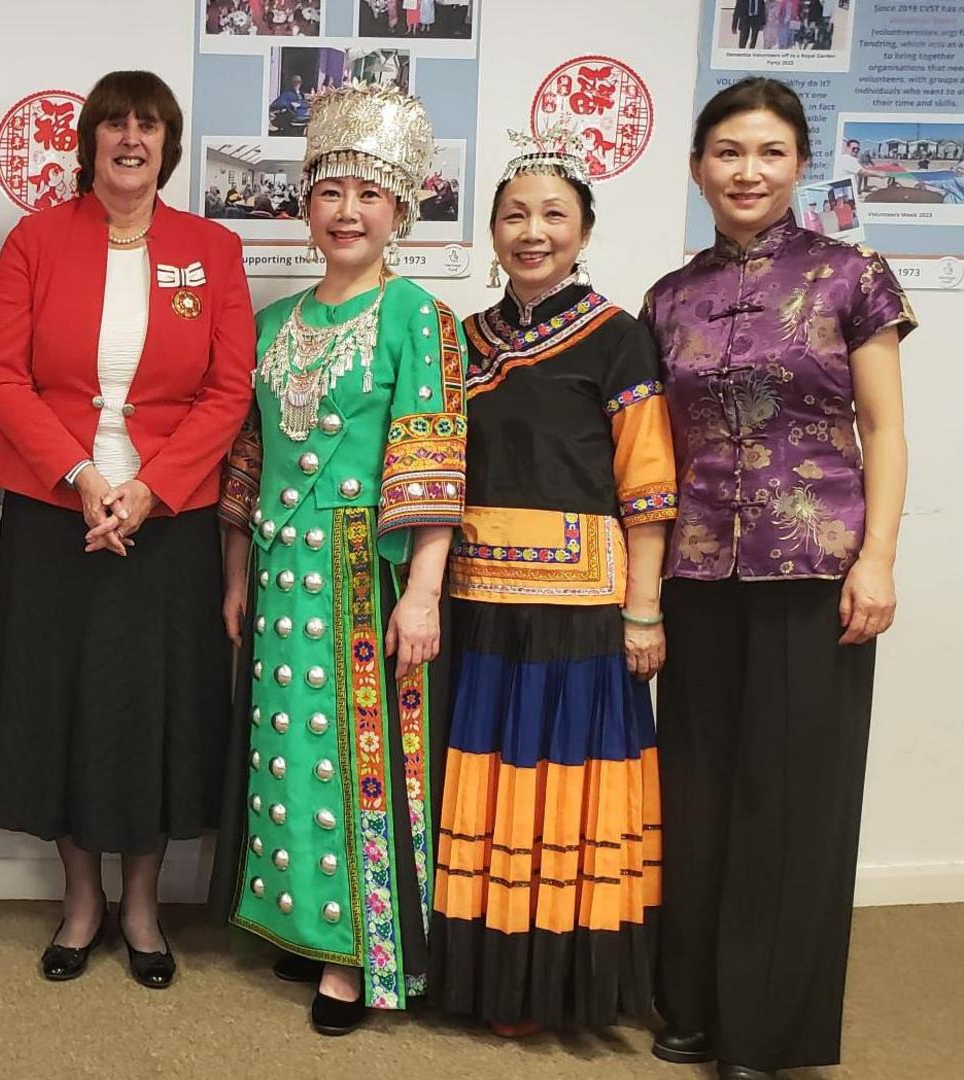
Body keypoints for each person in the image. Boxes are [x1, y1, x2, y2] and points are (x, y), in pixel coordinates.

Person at [645, 77, 914, 1080]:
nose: (745, 171)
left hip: (816, 569)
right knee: (701, 794)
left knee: (791, 801)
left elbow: (884, 428)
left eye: (766, 152)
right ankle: (695, 1005)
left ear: (801, 164)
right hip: (698, 574)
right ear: (697, 168)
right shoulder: (670, 299)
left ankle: (768, 1031)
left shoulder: (853, 276)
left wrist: (878, 556)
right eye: (726, 152)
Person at [0, 69, 254, 990]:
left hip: (165, 522)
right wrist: (88, 476)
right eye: (115, 125)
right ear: (90, 140)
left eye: (149, 126)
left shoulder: (209, 248)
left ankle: (142, 904)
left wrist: (150, 489)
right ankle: (81, 899)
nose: (130, 139)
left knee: (153, 711)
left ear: (167, 145)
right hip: (57, 510)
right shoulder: (35, 240)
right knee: (59, 703)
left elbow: (228, 389)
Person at [212, 80, 465, 1037]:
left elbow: (434, 460)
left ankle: (358, 955)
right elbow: (248, 460)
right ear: (305, 205)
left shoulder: (418, 318)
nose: (347, 211)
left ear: (400, 207)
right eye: (329, 192)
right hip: (283, 574)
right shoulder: (276, 325)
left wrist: (425, 595)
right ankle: (300, 924)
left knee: (354, 766)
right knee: (287, 757)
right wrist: (237, 577)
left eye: (368, 194)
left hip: (368, 571)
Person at [431, 133, 676, 1038]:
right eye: (514, 216)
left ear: (584, 231)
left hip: (580, 612)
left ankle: (561, 989)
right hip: (478, 608)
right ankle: (485, 979)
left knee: (561, 787)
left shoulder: (619, 338)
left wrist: (643, 612)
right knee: (485, 786)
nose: (532, 233)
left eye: (553, 216)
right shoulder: (459, 341)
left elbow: (647, 488)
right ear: (491, 232)